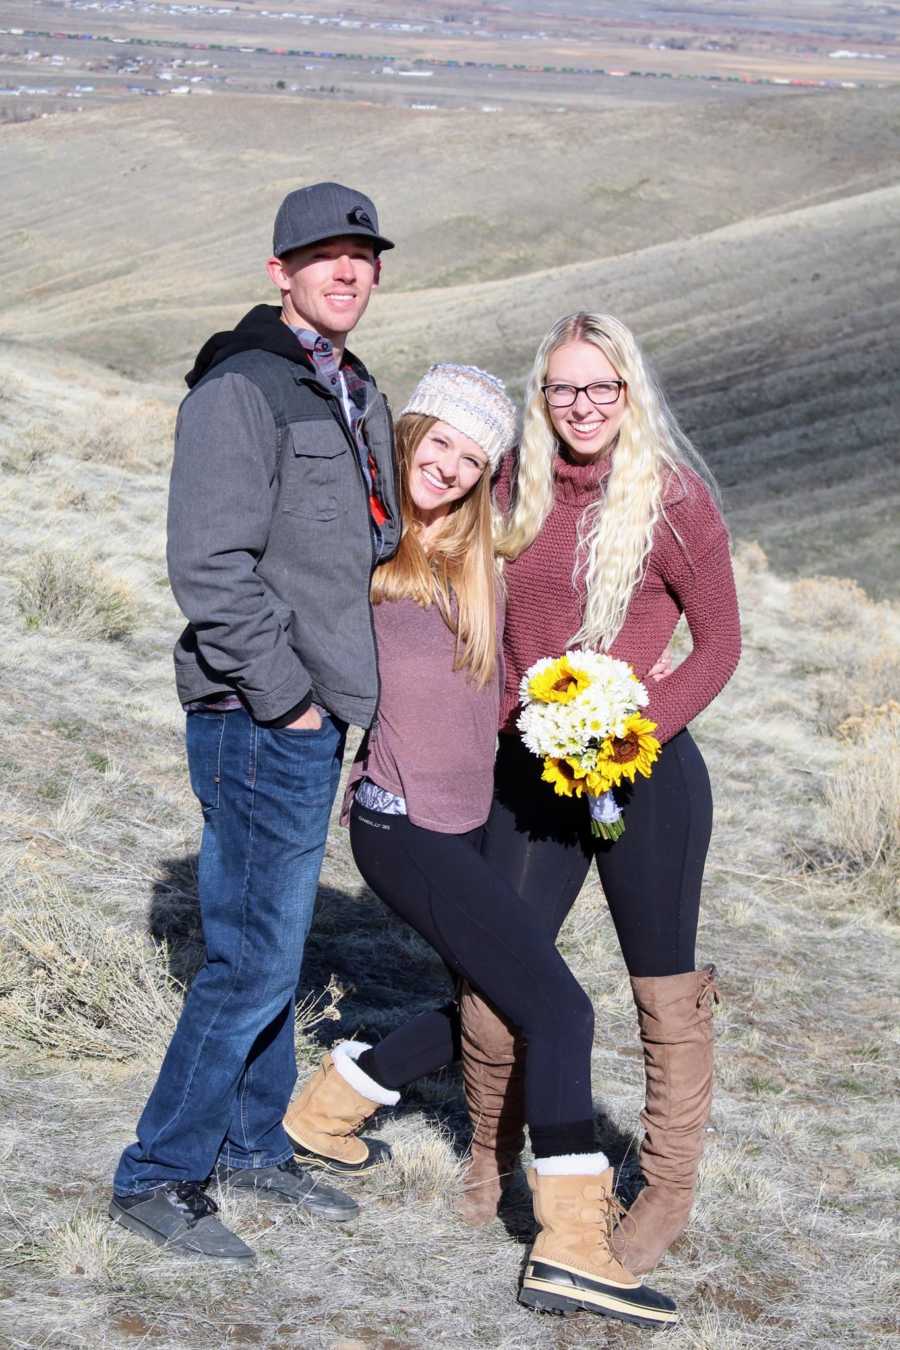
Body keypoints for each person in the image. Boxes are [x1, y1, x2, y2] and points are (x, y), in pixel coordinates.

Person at [280, 363, 679, 1328]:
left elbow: (568, 479)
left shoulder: (478, 553)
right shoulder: (370, 546)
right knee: (561, 1010)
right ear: (408, 436)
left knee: (498, 1000)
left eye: (473, 456)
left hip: (469, 820)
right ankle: (572, 1246)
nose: (450, 468)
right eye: (438, 444)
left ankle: (327, 1107)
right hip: (400, 825)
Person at [109, 182, 401, 1263]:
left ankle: (250, 1144)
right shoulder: (241, 388)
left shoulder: (353, 388)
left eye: (362, 256)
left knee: (277, 949)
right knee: (247, 959)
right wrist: (289, 698)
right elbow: (209, 568)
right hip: (259, 717)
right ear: (278, 271)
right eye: (323, 256)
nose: (347, 271)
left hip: (312, 718)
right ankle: (158, 1174)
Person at [458, 312, 741, 1277]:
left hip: (644, 772)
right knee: (499, 977)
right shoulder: (510, 490)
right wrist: (508, 726)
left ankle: (664, 1189)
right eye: (563, 389)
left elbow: (720, 646)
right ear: (541, 397)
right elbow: (487, 628)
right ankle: (487, 1154)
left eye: (601, 388)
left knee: (662, 990)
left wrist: (632, 728)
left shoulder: (675, 502)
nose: (581, 407)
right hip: (532, 773)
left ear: (630, 394)